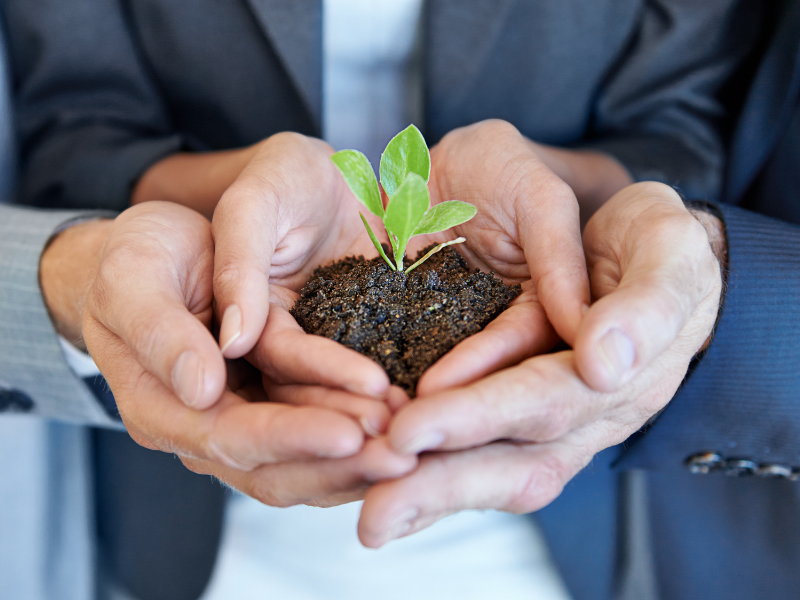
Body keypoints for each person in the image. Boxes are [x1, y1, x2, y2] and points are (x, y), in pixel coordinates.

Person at [0, 1, 788, 599]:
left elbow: (679, 130)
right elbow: (82, 134)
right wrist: (242, 201)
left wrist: (549, 199)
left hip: (568, 511)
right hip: (206, 503)